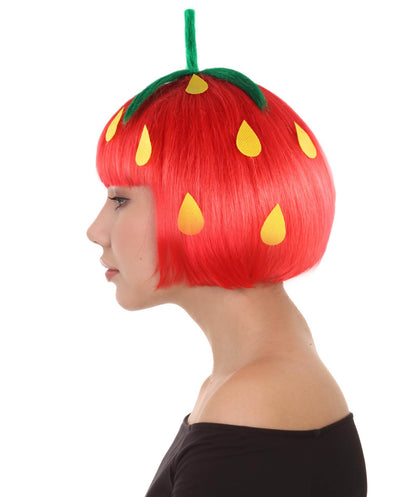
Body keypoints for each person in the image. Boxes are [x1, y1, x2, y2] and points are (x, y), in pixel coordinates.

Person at [86, 9, 367, 496]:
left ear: (205, 201)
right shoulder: (244, 385)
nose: (95, 230)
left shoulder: (253, 404)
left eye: (120, 199)